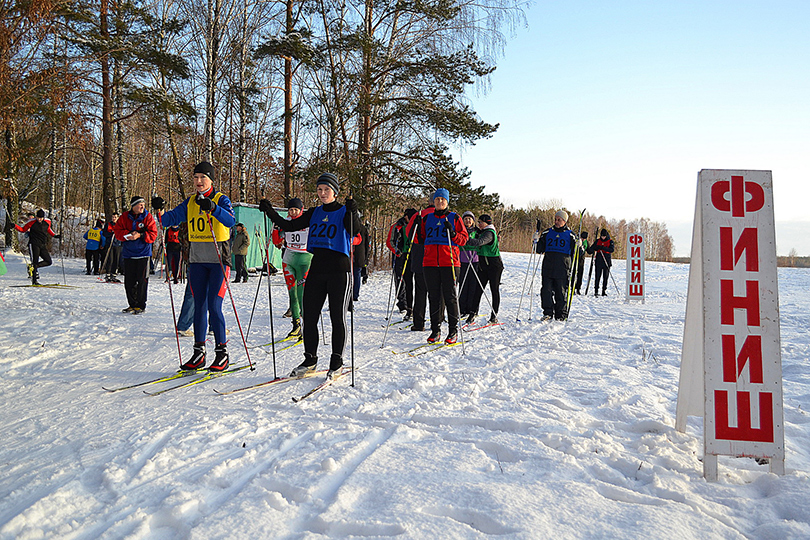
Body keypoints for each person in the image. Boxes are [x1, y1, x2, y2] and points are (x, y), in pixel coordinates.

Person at [259, 172, 362, 378]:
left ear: (335, 192)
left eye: (327, 190)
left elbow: (355, 231)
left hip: (339, 270)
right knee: (310, 316)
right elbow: (289, 226)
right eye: (320, 189)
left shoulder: (344, 210)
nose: (323, 193)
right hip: (317, 268)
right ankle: (310, 359)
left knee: (337, 317)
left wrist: (353, 211)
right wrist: (269, 210)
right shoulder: (314, 212)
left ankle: (336, 361)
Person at [152, 161, 235, 371]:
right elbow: (167, 220)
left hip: (218, 261)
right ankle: (199, 353)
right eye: (196, 177)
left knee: (214, 305)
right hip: (197, 261)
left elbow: (230, 221)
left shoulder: (221, 199)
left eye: (203, 178)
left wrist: (213, 208)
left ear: (211, 180)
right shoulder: (190, 202)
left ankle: (222, 353)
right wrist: (159, 210)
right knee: (199, 306)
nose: (199, 181)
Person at [413, 188, 468, 344]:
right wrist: (417, 228)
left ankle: (453, 330)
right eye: (437, 199)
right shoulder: (427, 218)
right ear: (434, 201)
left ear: (447, 201)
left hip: (449, 262)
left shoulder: (454, 217)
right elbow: (420, 240)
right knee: (434, 297)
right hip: (430, 263)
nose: (439, 202)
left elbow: (464, 239)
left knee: (450, 297)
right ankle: (435, 330)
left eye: (442, 199)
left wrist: (453, 234)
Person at [271, 197, 313, 339]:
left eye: (296, 210)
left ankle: (307, 327)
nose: (293, 212)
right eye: (290, 210)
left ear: (301, 210)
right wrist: (276, 228)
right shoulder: (286, 222)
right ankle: (296, 325)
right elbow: (276, 241)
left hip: (305, 260)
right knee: (292, 295)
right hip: (288, 260)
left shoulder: (307, 221)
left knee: (302, 295)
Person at [114, 197, 158, 314]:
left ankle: (140, 305)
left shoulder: (148, 217)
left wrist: (140, 235)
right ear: (133, 206)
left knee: (142, 281)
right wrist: (128, 234)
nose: (142, 206)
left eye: (143, 204)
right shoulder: (124, 217)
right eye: (140, 204)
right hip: (129, 254)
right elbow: (117, 231)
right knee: (129, 282)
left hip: (143, 254)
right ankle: (132, 304)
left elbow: (153, 234)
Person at [535, 210, 576, 321]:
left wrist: (579, 245)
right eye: (555, 219)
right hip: (548, 267)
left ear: (564, 221)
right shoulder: (547, 233)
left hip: (562, 267)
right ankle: (548, 312)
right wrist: (536, 240)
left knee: (560, 292)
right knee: (546, 291)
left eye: (559, 220)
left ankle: (561, 314)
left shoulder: (570, 235)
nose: (556, 222)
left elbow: (578, 253)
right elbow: (539, 249)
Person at [464, 214, 503, 324]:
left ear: (487, 223)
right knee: (478, 290)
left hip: (494, 266)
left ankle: (494, 315)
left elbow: (480, 242)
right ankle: (472, 313)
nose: (479, 224)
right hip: (483, 266)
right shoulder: (482, 231)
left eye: (480, 222)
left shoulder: (489, 233)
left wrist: (465, 240)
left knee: (494, 290)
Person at [404, 203, 434, 333]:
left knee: (420, 292)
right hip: (436, 259)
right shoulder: (444, 216)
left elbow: (409, 234)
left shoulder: (418, 215)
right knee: (436, 293)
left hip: (419, 256)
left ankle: (418, 322)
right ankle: (437, 322)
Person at [15, 209, 59, 285]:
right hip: (33, 244)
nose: (39, 219)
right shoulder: (31, 222)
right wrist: (15, 226)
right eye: (38, 217)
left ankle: (33, 266)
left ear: (43, 217)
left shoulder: (47, 222)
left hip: (42, 244)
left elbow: (48, 229)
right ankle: (34, 281)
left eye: (41, 218)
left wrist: (55, 235)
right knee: (35, 261)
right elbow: (23, 229)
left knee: (48, 261)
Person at [386, 208, 417, 319]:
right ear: (406, 216)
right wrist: (397, 251)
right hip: (400, 256)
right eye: (410, 217)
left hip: (411, 257)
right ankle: (402, 303)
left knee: (409, 282)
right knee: (400, 280)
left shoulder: (415, 226)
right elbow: (389, 242)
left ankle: (409, 306)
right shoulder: (397, 226)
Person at [458, 211, 481, 321]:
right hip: (463, 260)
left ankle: (472, 309)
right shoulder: (461, 230)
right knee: (463, 285)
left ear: (473, 220)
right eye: (466, 219)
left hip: (475, 260)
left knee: (473, 285)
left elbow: (482, 241)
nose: (468, 221)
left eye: (469, 219)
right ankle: (462, 309)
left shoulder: (477, 231)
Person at [587, 228, 615, 296]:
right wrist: (593, 249)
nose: (603, 237)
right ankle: (596, 290)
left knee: (605, 277)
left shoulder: (610, 241)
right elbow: (592, 248)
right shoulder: (598, 241)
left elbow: (611, 250)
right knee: (597, 277)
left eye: (604, 236)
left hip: (606, 261)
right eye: (602, 236)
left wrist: (603, 248)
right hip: (599, 261)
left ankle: (604, 290)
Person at [352, 219, 370, 302]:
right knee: (356, 275)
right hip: (357, 256)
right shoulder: (363, 228)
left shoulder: (363, 229)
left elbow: (367, 244)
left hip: (357, 256)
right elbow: (367, 245)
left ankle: (354, 295)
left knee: (356, 275)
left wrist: (366, 258)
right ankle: (354, 294)